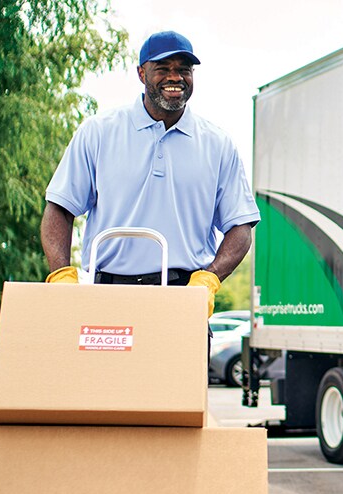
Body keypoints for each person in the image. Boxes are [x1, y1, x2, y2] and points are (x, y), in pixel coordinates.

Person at [40, 31, 258, 317]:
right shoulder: (99, 132)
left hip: (182, 299)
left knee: (178, 365)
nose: (175, 77)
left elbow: (240, 227)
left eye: (184, 70)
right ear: (142, 74)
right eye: (163, 69)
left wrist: (210, 279)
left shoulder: (218, 144)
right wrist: (61, 274)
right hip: (106, 297)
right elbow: (59, 209)